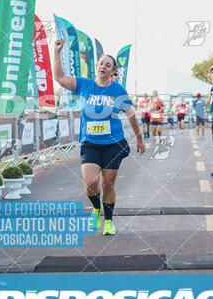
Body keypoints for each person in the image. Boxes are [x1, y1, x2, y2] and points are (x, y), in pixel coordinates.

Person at [53, 39, 145, 236]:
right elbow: (59, 77)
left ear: (114, 71)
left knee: (108, 184)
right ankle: (96, 209)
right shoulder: (85, 84)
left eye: (108, 65)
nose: (104, 66)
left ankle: (109, 220)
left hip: (113, 144)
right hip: (90, 144)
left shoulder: (118, 90)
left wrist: (139, 138)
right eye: (101, 63)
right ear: (96, 66)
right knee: (91, 183)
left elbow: (130, 115)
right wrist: (56, 51)